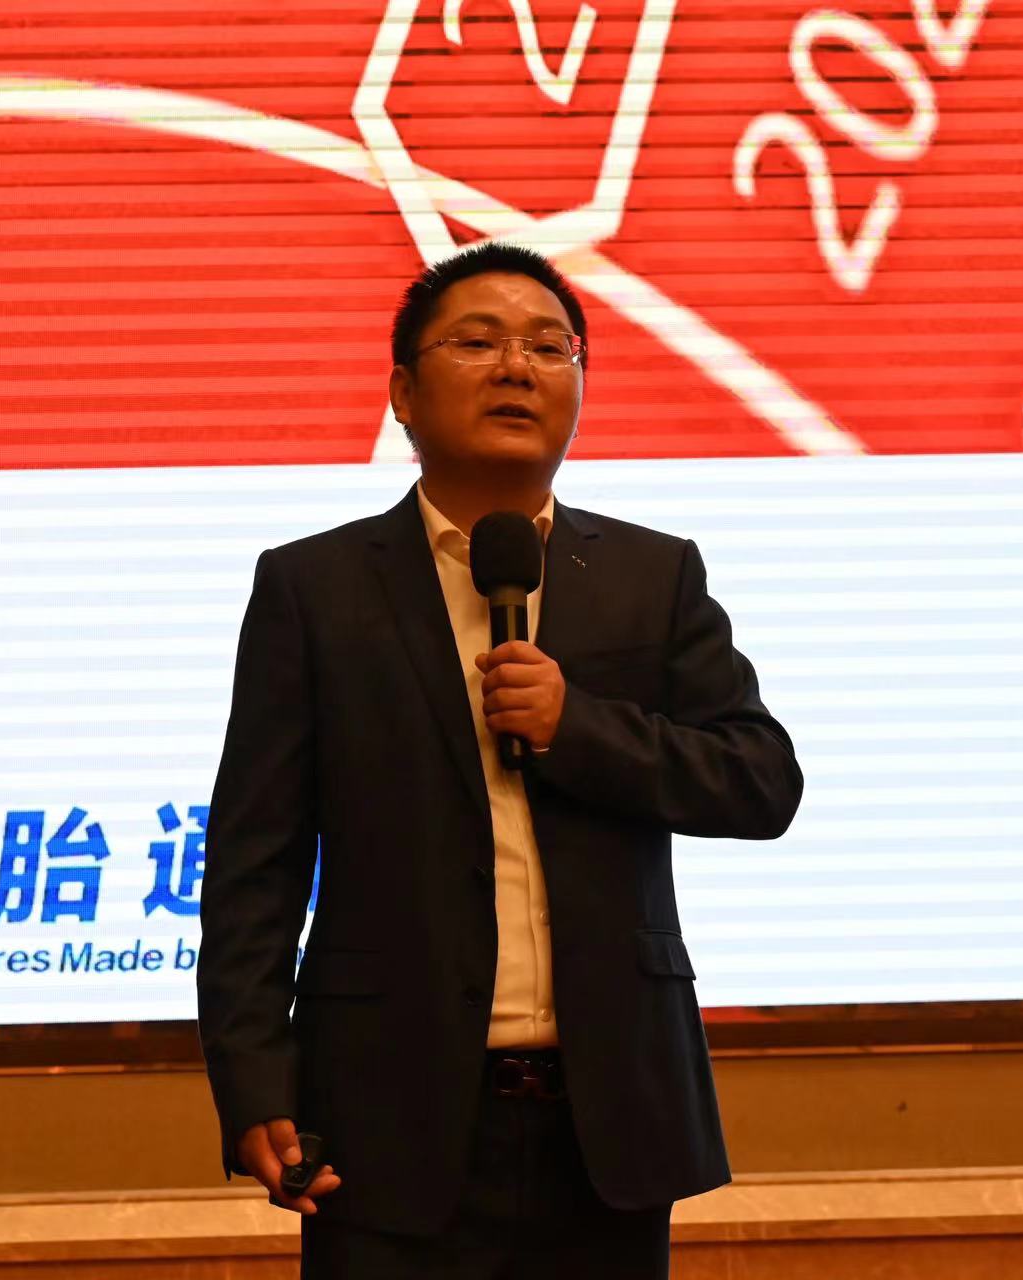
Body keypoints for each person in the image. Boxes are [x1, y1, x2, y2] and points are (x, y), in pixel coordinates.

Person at [195, 242, 804, 1278]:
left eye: (549, 347)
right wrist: (254, 1080)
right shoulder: (316, 588)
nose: (517, 367)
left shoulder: (651, 574)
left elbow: (759, 780)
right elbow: (256, 859)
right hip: (385, 1115)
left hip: (607, 1121)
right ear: (403, 392)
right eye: (476, 342)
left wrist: (579, 727)